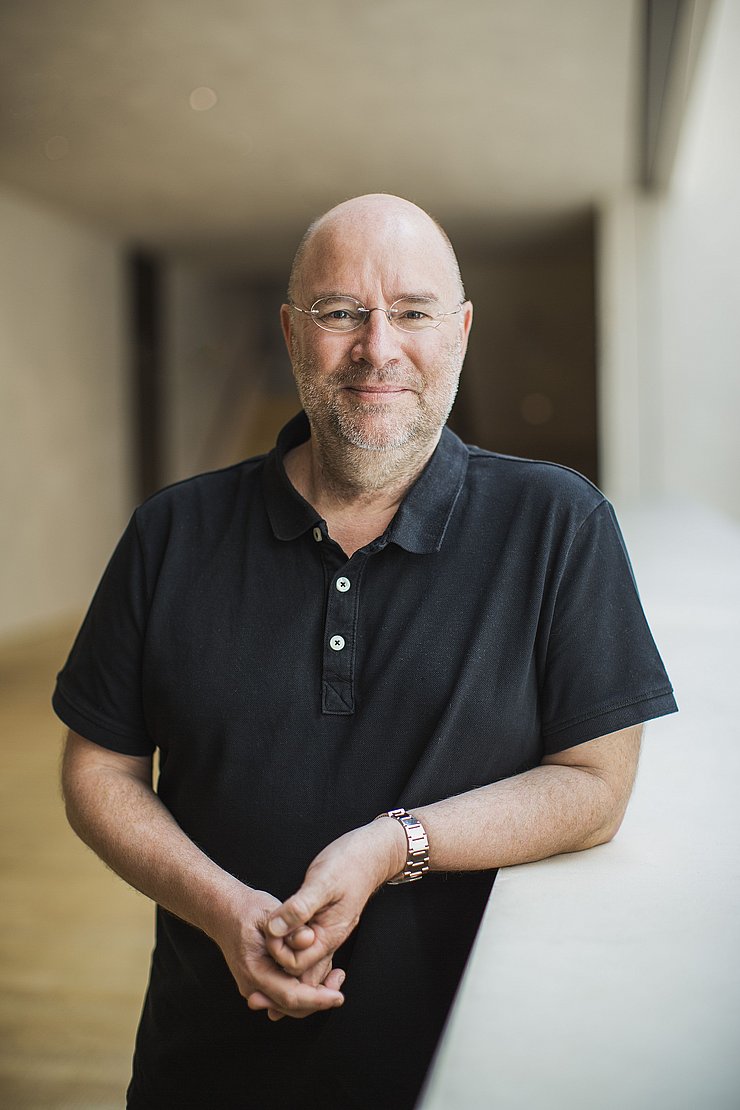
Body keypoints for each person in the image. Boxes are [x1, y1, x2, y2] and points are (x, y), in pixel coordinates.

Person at [54, 193, 677, 1110]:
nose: (378, 347)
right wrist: (226, 911)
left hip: (462, 1074)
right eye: (342, 312)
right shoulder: (170, 532)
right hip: (207, 1064)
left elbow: (596, 787)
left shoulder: (558, 524)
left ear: (460, 331)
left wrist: (394, 845)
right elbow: (99, 768)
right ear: (292, 333)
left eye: (413, 312)